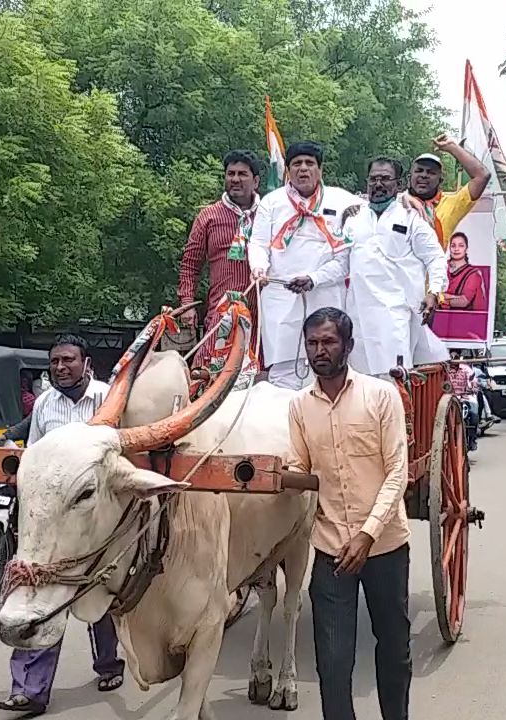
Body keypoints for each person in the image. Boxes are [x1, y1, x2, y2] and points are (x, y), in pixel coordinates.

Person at [286, 307, 411, 720]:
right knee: (333, 665)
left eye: (328, 341)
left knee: (394, 649)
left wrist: (368, 534)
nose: (319, 351)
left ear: (348, 346)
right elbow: (299, 469)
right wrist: (273, 476)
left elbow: (398, 472)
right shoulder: (300, 407)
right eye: (312, 343)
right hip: (332, 550)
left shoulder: (381, 396)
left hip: (385, 548)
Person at [0, 334, 125, 715]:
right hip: (47, 520)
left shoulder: (109, 398)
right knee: (36, 587)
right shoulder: (44, 404)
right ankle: (29, 689)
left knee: (96, 589)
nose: (60, 367)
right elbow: (34, 456)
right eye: (54, 362)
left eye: (68, 360)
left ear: (87, 364)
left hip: (92, 516)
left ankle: (108, 664)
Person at [249, 141, 361, 390]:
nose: (303, 169)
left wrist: (313, 279)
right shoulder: (272, 202)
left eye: (310, 163)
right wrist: (258, 267)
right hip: (280, 296)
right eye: (297, 164)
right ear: (288, 170)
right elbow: (257, 243)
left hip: (325, 295)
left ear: (320, 170)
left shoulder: (343, 200)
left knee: (327, 366)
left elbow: (345, 259)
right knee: (283, 375)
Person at [342, 156, 447, 375]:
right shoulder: (354, 220)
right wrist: (311, 279)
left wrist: (434, 292)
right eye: (373, 179)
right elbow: (339, 263)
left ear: (398, 184)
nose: (378, 184)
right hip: (358, 315)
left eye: (385, 179)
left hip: (396, 314)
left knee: (393, 380)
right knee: (360, 382)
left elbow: (435, 258)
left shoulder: (411, 218)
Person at [177, 150, 265, 365]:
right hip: (221, 314)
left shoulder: (269, 214)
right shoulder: (208, 216)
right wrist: (187, 304)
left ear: (255, 181)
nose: (235, 179)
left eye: (242, 174)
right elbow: (190, 264)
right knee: (207, 375)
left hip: (264, 316)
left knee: (261, 382)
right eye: (230, 173)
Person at [404, 134, 491, 250]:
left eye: (431, 172)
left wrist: (452, 147)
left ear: (440, 180)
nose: (424, 175)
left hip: (432, 267)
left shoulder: (451, 204)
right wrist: (401, 198)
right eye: (419, 171)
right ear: (409, 177)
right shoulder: (396, 202)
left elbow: (482, 176)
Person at [442, 233, 487, 311]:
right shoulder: (441, 267)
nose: (456, 249)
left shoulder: (473, 274)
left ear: (466, 249)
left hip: (465, 319)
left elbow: (464, 301)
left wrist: (441, 299)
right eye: (453, 246)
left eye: (461, 245)